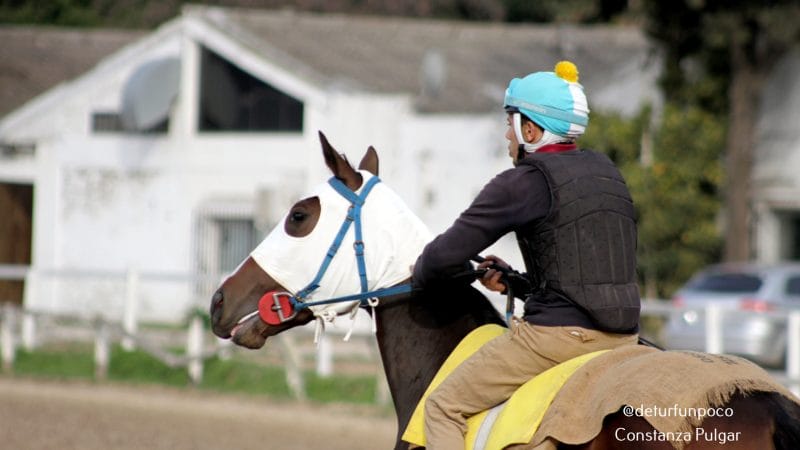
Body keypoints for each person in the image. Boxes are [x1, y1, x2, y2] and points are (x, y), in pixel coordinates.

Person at [411, 61, 641, 449]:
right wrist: (517, 281)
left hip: (555, 340)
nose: (506, 135)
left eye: (509, 123)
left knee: (442, 407)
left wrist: (424, 276)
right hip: (625, 339)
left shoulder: (522, 182)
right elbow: (583, 268)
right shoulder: (606, 170)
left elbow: (439, 259)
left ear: (529, 129)